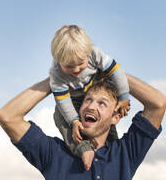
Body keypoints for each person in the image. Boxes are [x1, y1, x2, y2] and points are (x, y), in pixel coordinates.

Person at [0, 74, 166, 180]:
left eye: (102, 103)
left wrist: (111, 71)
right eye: (88, 100)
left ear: (115, 117)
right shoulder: (54, 154)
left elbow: (158, 104)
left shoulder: (125, 153)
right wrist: (55, 80)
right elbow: (8, 117)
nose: (91, 106)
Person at [49, 25, 130, 170]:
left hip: (94, 90)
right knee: (59, 116)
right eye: (68, 66)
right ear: (58, 60)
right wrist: (73, 120)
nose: (75, 70)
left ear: (88, 53)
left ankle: (113, 153)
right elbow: (63, 101)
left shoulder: (95, 54)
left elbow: (116, 72)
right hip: (72, 99)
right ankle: (82, 148)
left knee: (104, 122)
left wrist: (124, 97)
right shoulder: (56, 73)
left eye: (80, 64)